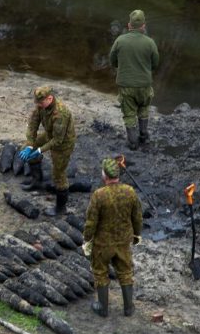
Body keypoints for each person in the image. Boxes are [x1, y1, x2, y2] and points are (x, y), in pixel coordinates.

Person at [82, 157, 143, 317]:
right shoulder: (130, 192)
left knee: (100, 272)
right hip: (123, 242)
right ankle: (128, 308)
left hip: (103, 244)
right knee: (125, 272)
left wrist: (87, 239)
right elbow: (137, 217)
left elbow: (91, 222)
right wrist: (137, 234)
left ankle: (103, 307)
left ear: (104, 175)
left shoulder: (99, 195)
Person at [18, 86, 76, 217]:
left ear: (50, 98)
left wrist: (39, 150)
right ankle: (37, 182)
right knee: (27, 149)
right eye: (37, 102)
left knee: (58, 174)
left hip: (63, 144)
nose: (38, 105)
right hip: (49, 135)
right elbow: (33, 126)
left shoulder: (61, 113)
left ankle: (61, 208)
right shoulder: (40, 106)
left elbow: (58, 140)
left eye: (41, 102)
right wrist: (30, 145)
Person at [109, 9, 159, 150]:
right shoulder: (150, 43)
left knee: (129, 114)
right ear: (143, 26)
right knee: (143, 109)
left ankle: (132, 143)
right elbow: (155, 64)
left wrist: (123, 65)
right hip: (144, 85)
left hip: (126, 86)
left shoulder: (120, 40)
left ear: (129, 25)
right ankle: (143, 136)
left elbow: (113, 61)